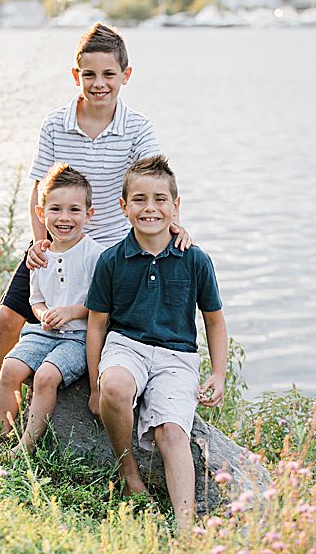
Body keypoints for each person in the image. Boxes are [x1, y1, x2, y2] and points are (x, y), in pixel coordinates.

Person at [0, 22, 184, 416]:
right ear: (76, 75)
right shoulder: (55, 124)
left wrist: (174, 224)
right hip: (56, 239)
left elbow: (156, 183)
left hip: (107, 252)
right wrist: (41, 242)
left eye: (109, 74)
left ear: (125, 76)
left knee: (99, 326)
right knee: (8, 316)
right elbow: (38, 191)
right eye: (89, 74)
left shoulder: (137, 128)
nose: (99, 83)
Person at [85, 155, 227, 532]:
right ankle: (132, 479)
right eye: (139, 199)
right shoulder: (111, 260)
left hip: (176, 357)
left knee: (172, 432)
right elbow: (97, 327)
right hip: (125, 344)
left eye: (160, 199)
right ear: (123, 206)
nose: (150, 208)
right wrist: (93, 385)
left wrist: (219, 373)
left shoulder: (195, 259)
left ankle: (185, 529)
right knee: (114, 387)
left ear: (175, 206)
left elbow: (214, 321)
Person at [0, 163, 104, 456]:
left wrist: (72, 312)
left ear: (89, 214)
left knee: (46, 376)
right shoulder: (40, 255)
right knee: (10, 367)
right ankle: (1, 431)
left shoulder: (95, 255)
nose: (64, 218)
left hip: (78, 338)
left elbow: (102, 304)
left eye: (74, 210)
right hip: (44, 332)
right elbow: (35, 299)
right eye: (56, 209)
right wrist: (42, 313)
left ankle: (26, 445)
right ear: (41, 213)